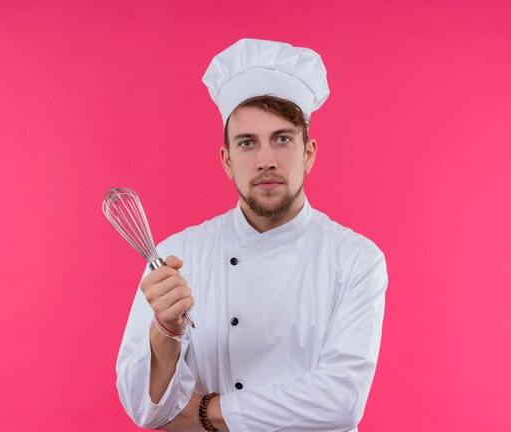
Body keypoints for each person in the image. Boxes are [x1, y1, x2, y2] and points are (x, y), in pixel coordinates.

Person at [116, 38, 388, 432]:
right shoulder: (177, 254)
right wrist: (166, 335)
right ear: (227, 160)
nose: (266, 161)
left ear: (308, 152)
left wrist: (207, 412)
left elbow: (341, 400)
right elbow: (149, 414)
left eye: (282, 139)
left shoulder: (356, 259)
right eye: (247, 143)